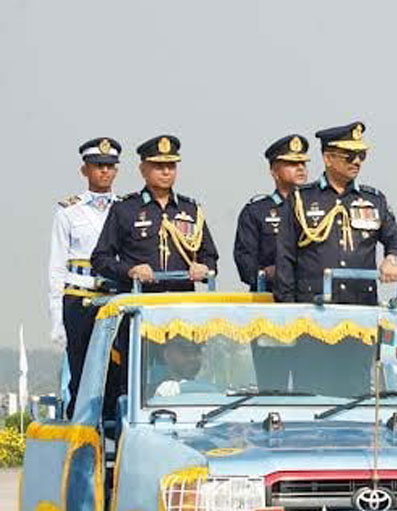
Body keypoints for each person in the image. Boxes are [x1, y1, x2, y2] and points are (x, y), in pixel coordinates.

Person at [273, 121, 397, 305]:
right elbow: (285, 258)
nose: (357, 161)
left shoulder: (374, 200)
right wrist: (288, 309)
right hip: (313, 308)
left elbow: (396, 243)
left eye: (361, 155)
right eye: (349, 156)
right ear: (328, 158)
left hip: (362, 307)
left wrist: (392, 259)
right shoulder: (300, 199)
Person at [91, 135, 218, 293]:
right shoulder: (125, 209)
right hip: (139, 302)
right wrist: (130, 271)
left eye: (171, 166)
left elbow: (210, 256)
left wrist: (204, 268)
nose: (166, 172)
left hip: (181, 304)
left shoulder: (191, 210)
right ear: (143, 170)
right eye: (159, 166)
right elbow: (101, 259)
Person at [50, 137, 121, 412]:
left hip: (115, 297)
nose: (104, 171)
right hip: (80, 297)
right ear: (85, 170)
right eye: (98, 165)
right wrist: (57, 319)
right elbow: (56, 269)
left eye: (109, 166)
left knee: (116, 374)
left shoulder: (126, 208)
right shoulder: (69, 210)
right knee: (81, 375)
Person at [234, 134, 310, 292]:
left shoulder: (316, 209)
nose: (300, 168)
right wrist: (268, 273)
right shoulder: (256, 212)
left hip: (308, 295)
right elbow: (245, 262)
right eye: (292, 163)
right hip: (269, 298)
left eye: (303, 163)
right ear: (275, 172)